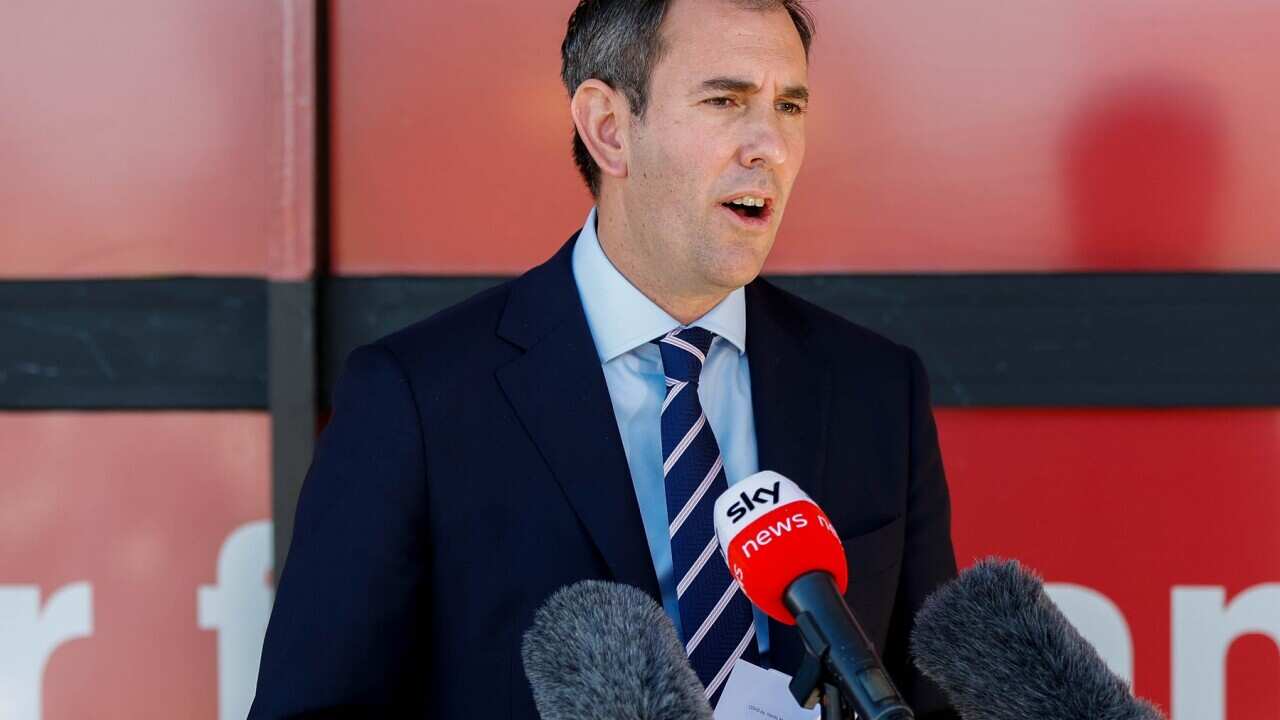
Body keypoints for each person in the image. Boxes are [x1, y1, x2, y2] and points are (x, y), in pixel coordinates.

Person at [249, 1, 958, 717]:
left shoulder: (878, 389)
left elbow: (934, 699)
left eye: (790, 105)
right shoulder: (417, 402)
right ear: (610, 130)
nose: (770, 145)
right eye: (726, 100)